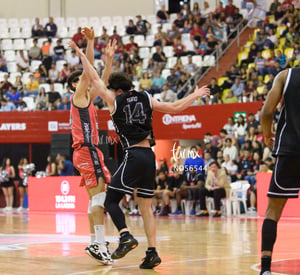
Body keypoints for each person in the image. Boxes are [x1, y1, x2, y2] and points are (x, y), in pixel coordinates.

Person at [69, 39, 210, 269]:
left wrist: (82, 52)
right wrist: (195, 95)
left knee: (111, 200)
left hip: (133, 155)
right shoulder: (146, 97)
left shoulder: (115, 101)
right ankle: (152, 252)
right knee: (145, 208)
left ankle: (125, 235)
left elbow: (93, 78)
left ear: (117, 90)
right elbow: (175, 108)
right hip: (149, 157)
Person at [259, 42, 300, 275]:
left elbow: (267, 111)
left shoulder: (286, 75)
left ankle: (266, 269)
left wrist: (267, 134)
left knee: (273, 211)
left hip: (290, 149)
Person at [66, 28, 113, 265]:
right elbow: (88, 71)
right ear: (72, 86)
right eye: (75, 80)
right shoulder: (79, 96)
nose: (81, 81)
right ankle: (99, 243)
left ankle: (94, 240)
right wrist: (91, 42)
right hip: (87, 149)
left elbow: (101, 80)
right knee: (100, 196)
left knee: (93, 199)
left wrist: (110, 60)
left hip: (85, 151)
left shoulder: (87, 100)